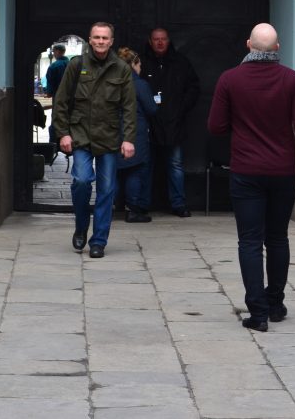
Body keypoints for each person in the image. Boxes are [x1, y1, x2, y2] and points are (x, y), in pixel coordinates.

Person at [207, 23, 295, 332]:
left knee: (249, 241)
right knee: (277, 238)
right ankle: (275, 304)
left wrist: (241, 124)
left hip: (246, 170)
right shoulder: (292, 80)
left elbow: (216, 127)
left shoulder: (230, 80)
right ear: (277, 48)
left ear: (248, 44)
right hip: (283, 170)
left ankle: (257, 313)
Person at [52, 23, 136, 259]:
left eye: (104, 38)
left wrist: (128, 139)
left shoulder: (121, 69)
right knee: (80, 180)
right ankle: (81, 225)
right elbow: (61, 101)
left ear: (111, 41)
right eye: (96, 37)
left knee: (107, 190)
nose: (100, 41)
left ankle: (98, 240)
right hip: (80, 135)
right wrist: (63, 133)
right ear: (90, 40)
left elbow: (129, 107)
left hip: (108, 138)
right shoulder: (76, 66)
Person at [141, 27, 200, 217]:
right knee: (146, 165)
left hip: (174, 123)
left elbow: (193, 87)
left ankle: (178, 204)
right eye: (156, 39)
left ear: (169, 40)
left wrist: (181, 109)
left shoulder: (181, 62)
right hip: (149, 124)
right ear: (150, 41)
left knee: (175, 165)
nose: (160, 42)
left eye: (163, 39)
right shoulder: (142, 62)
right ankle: (142, 205)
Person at [115, 47, 158, 223]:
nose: (141, 67)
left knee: (115, 170)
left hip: (112, 132)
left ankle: (114, 205)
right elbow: (151, 109)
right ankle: (133, 209)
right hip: (136, 133)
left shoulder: (112, 82)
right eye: (139, 64)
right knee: (135, 170)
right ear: (133, 64)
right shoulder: (139, 84)